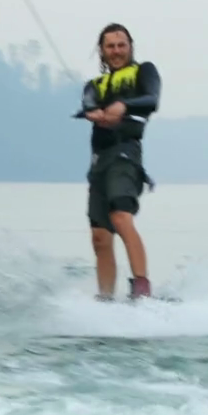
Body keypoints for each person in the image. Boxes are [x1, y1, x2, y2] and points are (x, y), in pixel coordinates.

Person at [75, 23, 159, 300]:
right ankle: (105, 299)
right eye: (110, 46)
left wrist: (124, 105)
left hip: (125, 155)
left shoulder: (144, 72)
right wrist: (92, 112)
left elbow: (152, 99)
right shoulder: (94, 86)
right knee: (100, 236)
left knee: (120, 216)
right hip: (99, 162)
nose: (116, 51)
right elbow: (88, 101)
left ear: (130, 47)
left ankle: (142, 290)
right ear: (102, 51)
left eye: (121, 45)